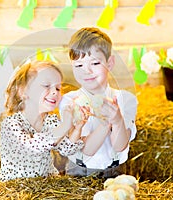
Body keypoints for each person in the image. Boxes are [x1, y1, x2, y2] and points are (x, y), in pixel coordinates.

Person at [59, 27, 138, 178]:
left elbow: (120, 146)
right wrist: (105, 123)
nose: (87, 71)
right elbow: (86, 150)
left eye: (95, 63)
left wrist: (117, 120)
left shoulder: (125, 99)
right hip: (78, 171)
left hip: (114, 172)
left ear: (109, 63)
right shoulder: (69, 101)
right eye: (79, 65)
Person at [0, 60, 89, 181]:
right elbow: (32, 147)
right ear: (23, 91)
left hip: (45, 184)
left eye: (58, 88)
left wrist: (77, 128)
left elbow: (67, 149)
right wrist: (65, 125)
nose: (55, 92)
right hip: (15, 186)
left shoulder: (50, 121)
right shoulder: (11, 124)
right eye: (46, 85)